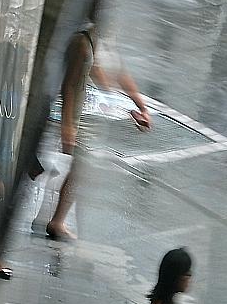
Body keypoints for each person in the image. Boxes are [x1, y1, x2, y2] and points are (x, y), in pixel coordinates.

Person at [38, 17, 150, 241]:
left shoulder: (106, 38)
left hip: (92, 113)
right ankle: (55, 219)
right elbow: (70, 86)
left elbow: (119, 72)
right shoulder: (84, 41)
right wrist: (68, 126)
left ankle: (55, 218)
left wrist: (138, 104)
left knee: (79, 169)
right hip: (80, 111)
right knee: (76, 168)